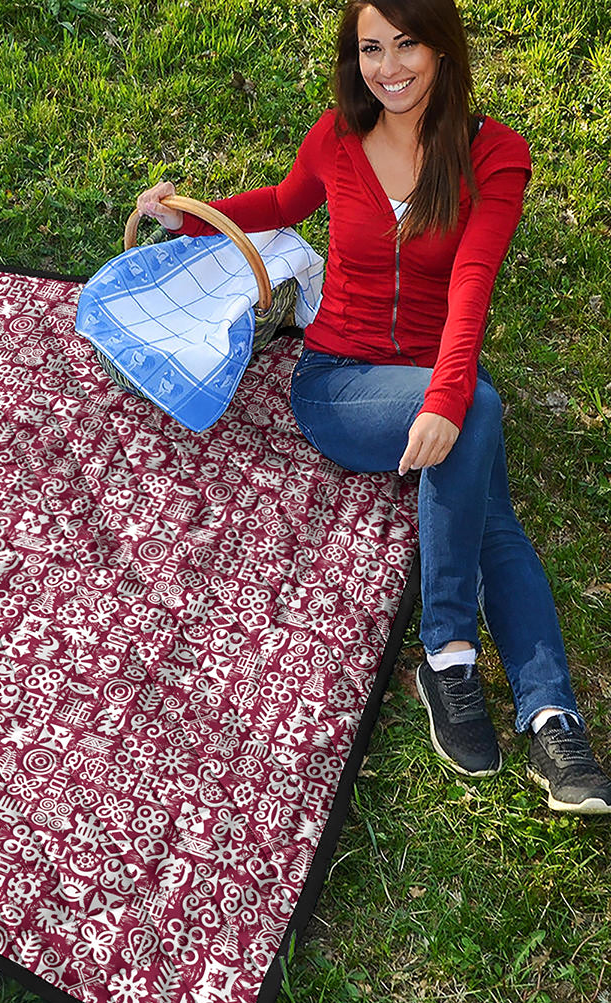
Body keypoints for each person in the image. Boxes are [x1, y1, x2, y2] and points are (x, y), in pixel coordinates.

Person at [135, 0, 611, 814]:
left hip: (430, 376)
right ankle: (458, 656)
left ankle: (544, 713)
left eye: (407, 44)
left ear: (443, 48)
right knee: (480, 421)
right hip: (338, 383)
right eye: (370, 49)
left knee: (484, 473)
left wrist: (448, 396)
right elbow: (283, 205)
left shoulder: (494, 156)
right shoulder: (337, 137)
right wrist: (191, 220)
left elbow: (472, 284)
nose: (388, 67)